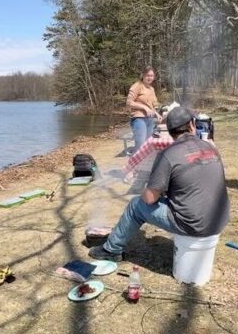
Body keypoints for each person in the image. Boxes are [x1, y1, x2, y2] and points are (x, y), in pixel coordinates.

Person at [89, 106, 230, 261]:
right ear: (192, 125)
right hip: (219, 218)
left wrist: (145, 188)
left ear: (169, 131)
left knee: (136, 205)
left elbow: (149, 199)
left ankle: (111, 250)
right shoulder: (209, 146)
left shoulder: (169, 153)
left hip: (194, 224)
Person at [127, 66, 163, 154]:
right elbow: (129, 102)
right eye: (147, 75)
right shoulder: (137, 86)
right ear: (143, 75)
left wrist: (157, 114)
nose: (149, 77)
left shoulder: (151, 89)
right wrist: (144, 107)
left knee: (147, 144)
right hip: (139, 119)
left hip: (149, 119)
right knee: (140, 145)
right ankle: (135, 166)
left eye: (151, 76)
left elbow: (153, 104)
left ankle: (144, 165)